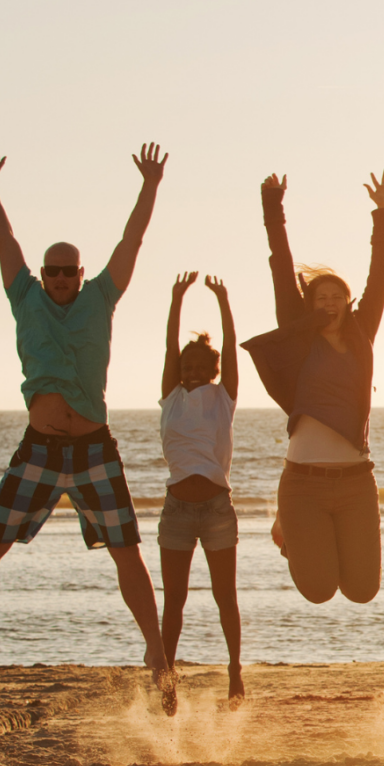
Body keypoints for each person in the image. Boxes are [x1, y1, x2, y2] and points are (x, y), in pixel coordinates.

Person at [0, 144, 170, 704]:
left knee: (127, 550)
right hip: (39, 450)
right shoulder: (25, 299)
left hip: (93, 451)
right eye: (53, 271)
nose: (61, 277)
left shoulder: (101, 298)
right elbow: (5, 240)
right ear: (43, 274)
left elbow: (131, 242)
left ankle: (157, 652)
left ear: (81, 273)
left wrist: (150, 186)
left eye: (70, 270)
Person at [242, 164, 384, 605]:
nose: (330, 304)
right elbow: (280, 266)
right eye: (321, 298)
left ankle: (292, 528)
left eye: (338, 298)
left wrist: (383, 215)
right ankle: (289, 529)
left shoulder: (362, 334)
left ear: (348, 304)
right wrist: (274, 208)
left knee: (362, 590)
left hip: (356, 481)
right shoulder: (299, 338)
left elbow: (381, 278)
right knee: (318, 590)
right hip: (303, 482)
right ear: (310, 304)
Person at [157, 272, 243, 704]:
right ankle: (167, 678)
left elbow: (229, 346)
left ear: (214, 371)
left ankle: (234, 673)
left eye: (199, 368)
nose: (190, 373)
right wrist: (176, 299)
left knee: (224, 596)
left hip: (215, 510)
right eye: (185, 368)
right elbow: (170, 349)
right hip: (176, 510)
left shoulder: (222, 397)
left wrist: (224, 302)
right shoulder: (171, 396)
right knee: (174, 600)